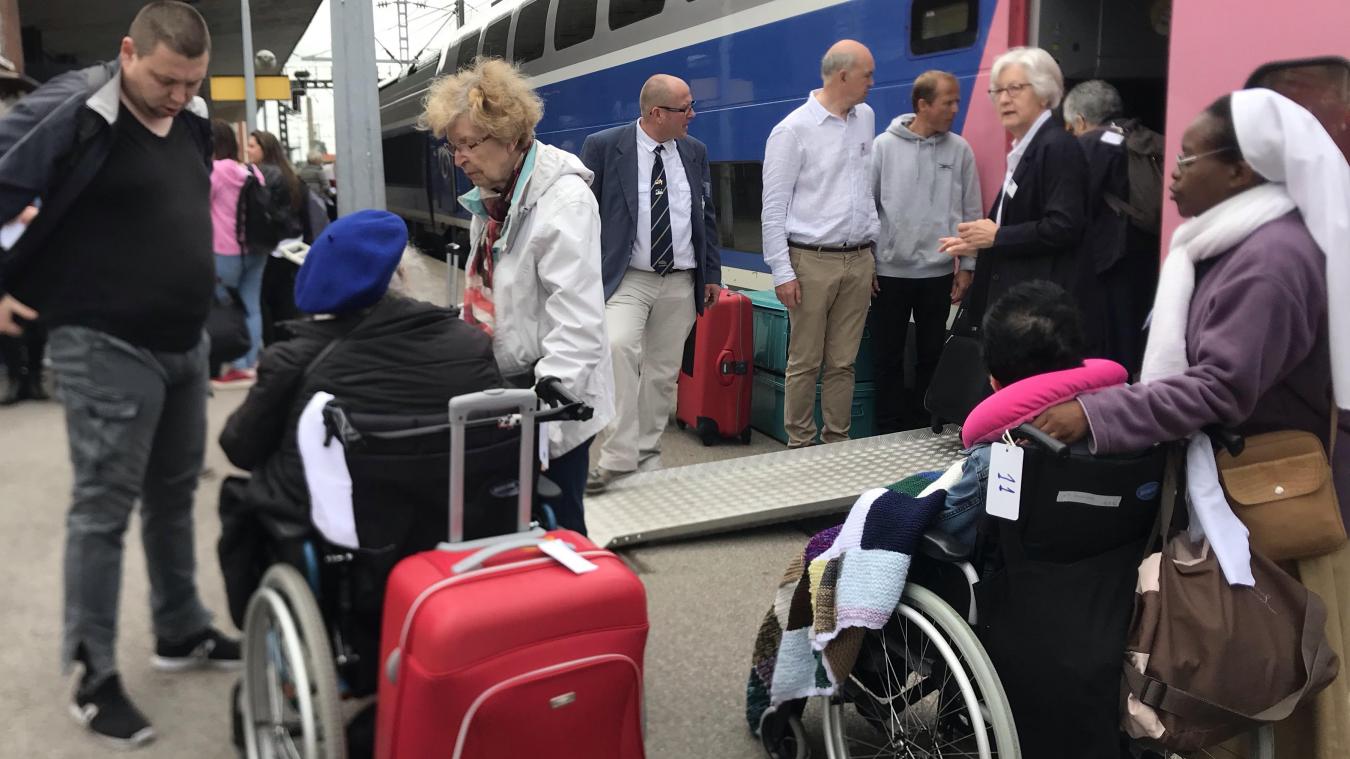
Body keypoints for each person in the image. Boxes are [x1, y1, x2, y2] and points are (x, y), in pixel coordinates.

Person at [1034, 87, 1350, 759]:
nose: (1170, 171)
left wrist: (1094, 412)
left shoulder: (1270, 262)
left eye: (1185, 156)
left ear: (1240, 171)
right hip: (1252, 485)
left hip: (1272, 503)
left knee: (1270, 664)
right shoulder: (1238, 243)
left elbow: (1218, 387)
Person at [0, 2, 239, 748]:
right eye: (166, 80)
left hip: (181, 345)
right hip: (103, 342)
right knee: (102, 508)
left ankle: (179, 629)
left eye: (192, 83)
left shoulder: (193, 116)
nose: (178, 96)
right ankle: (91, 672)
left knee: (172, 497)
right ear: (129, 51)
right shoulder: (75, 107)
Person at [219, 209, 502, 543]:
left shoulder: (292, 359)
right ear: (403, 276)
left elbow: (239, 448)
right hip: (461, 523)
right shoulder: (470, 344)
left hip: (353, 539)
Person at [419, 58, 614, 534]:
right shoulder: (491, 199)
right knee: (517, 527)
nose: (459, 157)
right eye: (453, 146)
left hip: (553, 399)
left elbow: (579, 327)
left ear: (510, 137)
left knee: (560, 527)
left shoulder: (563, 202)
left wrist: (540, 418)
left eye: (468, 144)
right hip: (510, 390)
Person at [579, 74, 721, 493]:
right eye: (686, 108)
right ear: (656, 113)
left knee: (661, 373)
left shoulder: (694, 152)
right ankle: (617, 457)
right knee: (618, 346)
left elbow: (705, 215)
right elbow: (583, 215)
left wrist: (711, 273)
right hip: (628, 278)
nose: (692, 116)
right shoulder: (604, 147)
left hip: (680, 279)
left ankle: (645, 452)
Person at [761, 39, 880, 448]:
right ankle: (800, 445)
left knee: (843, 363)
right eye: (868, 75)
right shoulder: (792, 131)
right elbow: (773, 209)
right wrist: (782, 271)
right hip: (810, 261)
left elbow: (863, 190)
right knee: (805, 362)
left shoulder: (865, 117)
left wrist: (871, 257)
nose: (873, 83)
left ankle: (837, 444)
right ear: (843, 75)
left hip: (858, 259)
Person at [939, 46, 1087, 326]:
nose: (1004, 99)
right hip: (1017, 304)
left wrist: (997, 237)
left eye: (1015, 88)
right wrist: (977, 244)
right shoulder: (1026, 147)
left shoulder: (1057, 146)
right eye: (997, 91)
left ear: (1044, 92)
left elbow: (1065, 227)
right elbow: (1020, 225)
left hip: (1038, 310)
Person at [871, 69, 982, 433]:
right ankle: (886, 426)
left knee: (933, 354)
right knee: (886, 355)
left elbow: (971, 212)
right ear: (923, 104)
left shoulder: (960, 149)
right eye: (948, 101)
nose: (955, 109)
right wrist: (868, 263)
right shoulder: (883, 147)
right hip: (887, 273)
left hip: (938, 274)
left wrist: (966, 266)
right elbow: (867, 207)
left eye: (957, 101)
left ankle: (924, 423)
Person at [1063, 79, 1161, 375]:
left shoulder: (1091, 145)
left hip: (1109, 256)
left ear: (1080, 120)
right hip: (1145, 246)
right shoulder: (1143, 137)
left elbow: (1078, 205)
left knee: (1110, 338)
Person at [210, 119, 266, 380]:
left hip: (224, 250)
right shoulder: (252, 171)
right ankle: (248, 362)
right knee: (251, 306)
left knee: (224, 306)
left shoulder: (216, 170)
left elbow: (201, 203)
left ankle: (233, 361)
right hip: (256, 248)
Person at [245, 129, 306, 348]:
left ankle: (275, 348)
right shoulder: (289, 173)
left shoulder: (260, 174)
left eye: (252, 146)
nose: (248, 150)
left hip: (270, 246)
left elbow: (262, 210)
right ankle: (292, 345)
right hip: (293, 244)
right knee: (287, 302)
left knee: (264, 303)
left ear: (264, 149)